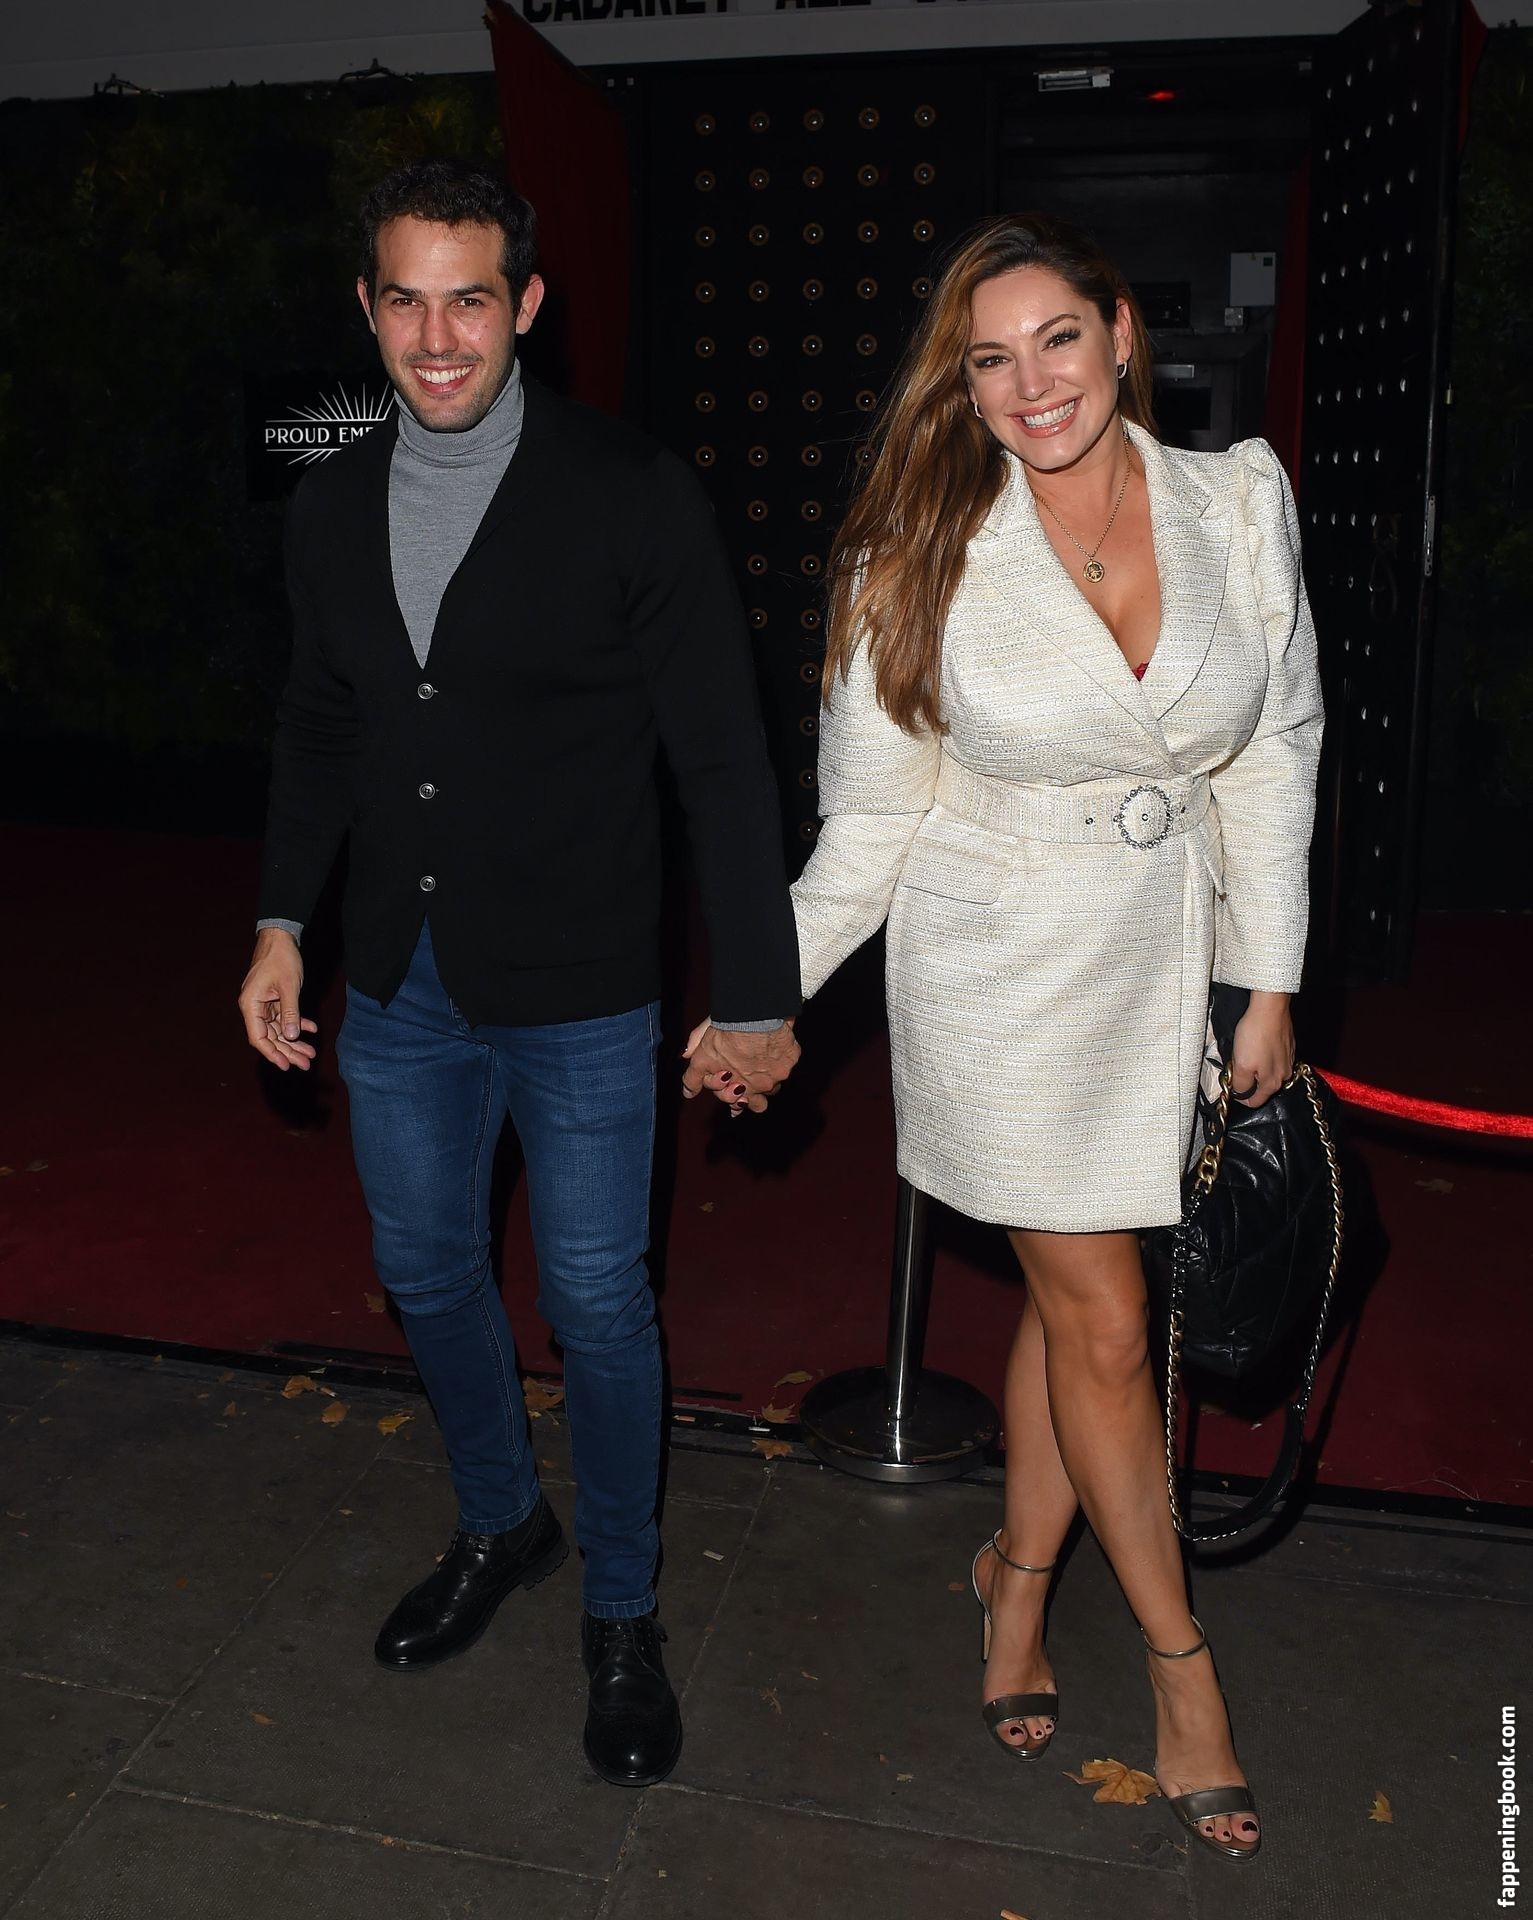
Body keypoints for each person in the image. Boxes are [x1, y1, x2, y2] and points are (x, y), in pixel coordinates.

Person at [688, 212, 1321, 1860]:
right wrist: (767, 991)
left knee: (1070, 1300)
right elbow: (867, 821)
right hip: (1002, 971)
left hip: (1164, 959)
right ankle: (1181, 1666)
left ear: (1120, 334)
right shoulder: (911, 553)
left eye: (1055, 339)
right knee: (1104, 1315)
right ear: (957, 388)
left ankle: (1015, 1583)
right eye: (988, 360)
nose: (1029, 382)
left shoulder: (1235, 499)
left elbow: (1275, 745)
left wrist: (1263, 977)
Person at [238, 160, 801, 1789]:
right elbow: (322, 725)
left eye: (470, 300)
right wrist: (281, 921)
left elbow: (722, 759)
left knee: (597, 1306)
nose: (437, 338)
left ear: (526, 306)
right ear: (366, 309)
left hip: (581, 983)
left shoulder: (632, 492)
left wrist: (759, 992)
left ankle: (620, 1610)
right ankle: (503, 1520)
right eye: (405, 301)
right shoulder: (332, 507)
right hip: (398, 978)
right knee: (423, 1274)